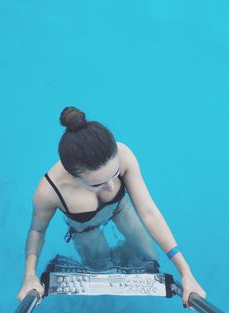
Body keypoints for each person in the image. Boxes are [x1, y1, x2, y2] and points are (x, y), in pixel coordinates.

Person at [17, 106, 206, 309]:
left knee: (150, 260)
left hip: (120, 210)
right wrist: (29, 275)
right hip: (85, 229)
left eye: (115, 174)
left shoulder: (123, 155)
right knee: (100, 267)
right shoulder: (50, 191)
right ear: (74, 176)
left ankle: (122, 255)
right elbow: (37, 230)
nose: (110, 186)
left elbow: (149, 212)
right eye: (97, 184)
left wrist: (186, 273)